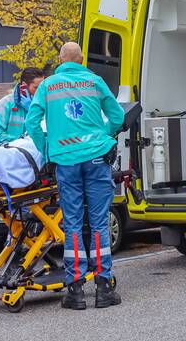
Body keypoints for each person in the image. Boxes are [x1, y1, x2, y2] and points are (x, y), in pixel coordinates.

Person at [24, 42, 124, 310]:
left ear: (60, 60)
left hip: (65, 160)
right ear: (81, 61)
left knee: (73, 224)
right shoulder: (95, 81)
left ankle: (76, 291)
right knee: (100, 222)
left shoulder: (47, 86)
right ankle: (104, 288)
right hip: (95, 156)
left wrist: (46, 148)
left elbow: (31, 123)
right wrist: (105, 134)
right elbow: (117, 115)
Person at [0, 67, 45, 144]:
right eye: (36, 88)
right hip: (10, 152)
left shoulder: (43, 103)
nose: (40, 92)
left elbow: (46, 130)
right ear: (24, 86)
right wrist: (22, 141)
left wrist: (32, 110)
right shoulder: (4, 104)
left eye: (42, 87)